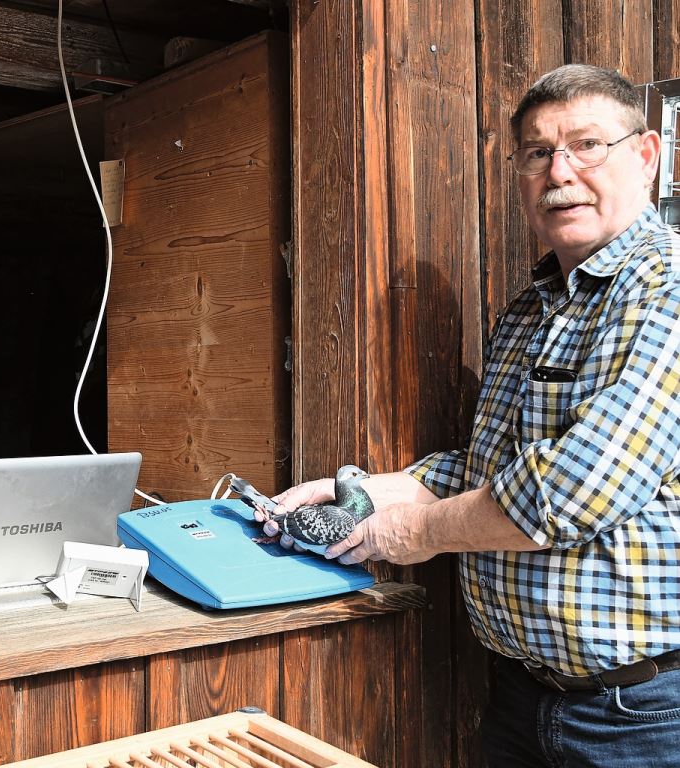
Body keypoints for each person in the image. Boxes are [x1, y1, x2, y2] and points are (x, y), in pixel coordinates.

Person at [263, 65, 680, 766]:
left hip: (642, 713)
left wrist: (417, 530)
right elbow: (491, 470)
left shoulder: (668, 290)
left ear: (645, 157)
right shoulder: (529, 308)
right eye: (538, 153)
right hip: (522, 700)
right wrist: (366, 490)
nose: (561, 171)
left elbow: (575, 489)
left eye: (586, 145)